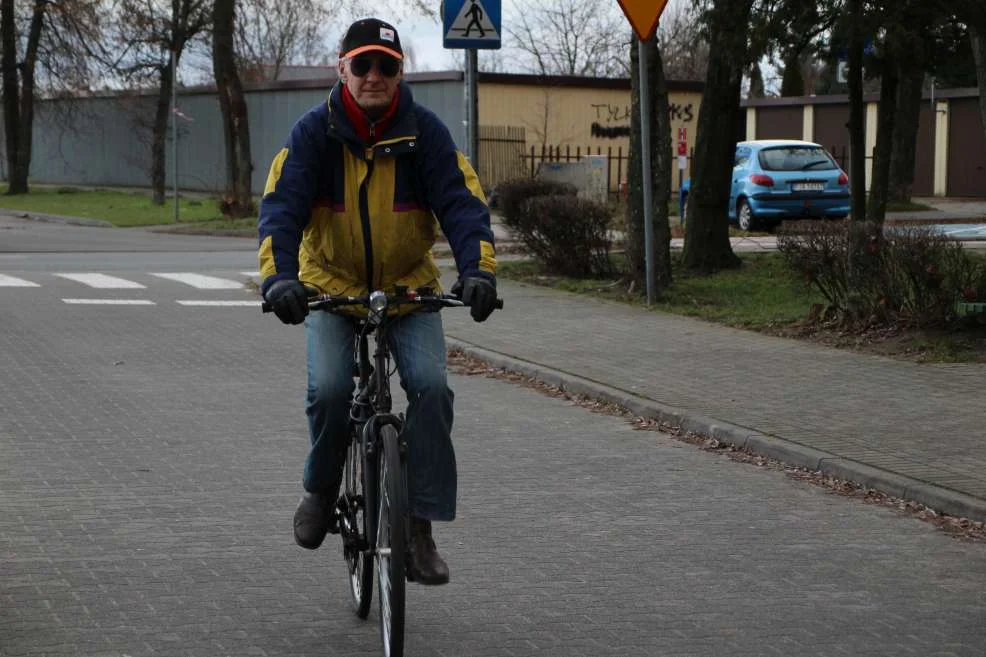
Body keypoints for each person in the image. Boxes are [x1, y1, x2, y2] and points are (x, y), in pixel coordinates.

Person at [257, 17, 498, 586]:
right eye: (361, 64)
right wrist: (279, 280)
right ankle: (319, 489)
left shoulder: (427, 134)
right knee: (332, 389)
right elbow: (280, 211)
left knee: (433, 389)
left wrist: (478, 272)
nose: (373, 76)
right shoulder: (313, 134)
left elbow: (464, 207)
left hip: (407, 287)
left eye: (385, 66)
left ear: (398, 73)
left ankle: (419, 529)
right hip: (329, 287)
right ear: (342, 68)